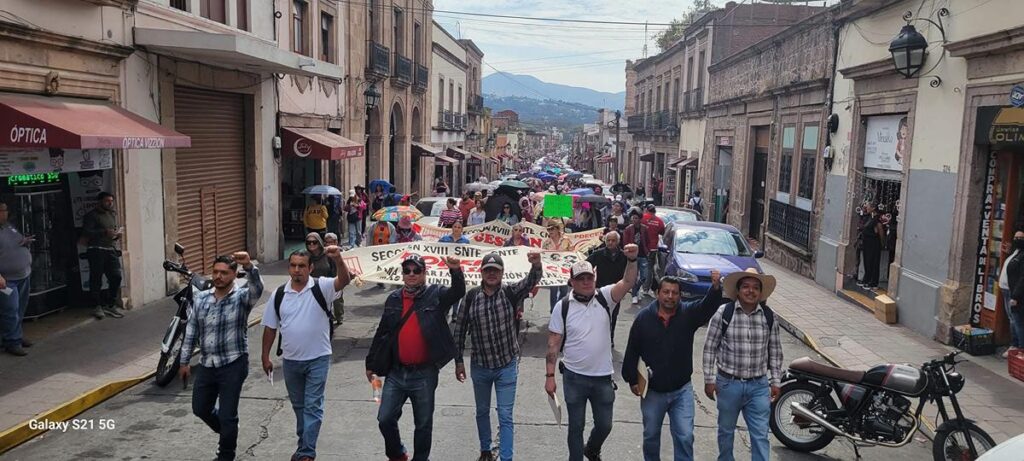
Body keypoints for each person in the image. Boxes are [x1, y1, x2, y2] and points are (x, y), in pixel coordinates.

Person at [366, 254, 466, 461]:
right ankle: (397, 453)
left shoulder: (436, 294)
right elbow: (382, 332)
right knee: (385, 418)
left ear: (424, 273)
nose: (411, 274)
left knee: (423, 424)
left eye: (416, 270)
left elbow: (458, 292)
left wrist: (456, 271)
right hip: (396, 371)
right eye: (407, 271)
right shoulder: (393, 299)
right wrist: (370, 362)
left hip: (424, 374)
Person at [545, 246, 639, 461]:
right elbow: (553, 343)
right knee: (575, 427)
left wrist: (632, 260)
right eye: (581, 278)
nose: (586, 282)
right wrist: (549, 377)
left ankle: (592, 448)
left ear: (594, 278)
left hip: (603, 378)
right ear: (572, 282)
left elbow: (627, 282)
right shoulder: (563, 306)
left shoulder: (606, 297)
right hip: (574, 377)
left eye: (589, 277)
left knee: (605, 425)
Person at [261, 247, 351, 461]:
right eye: (293, 265)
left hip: (318, 358)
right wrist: (265, 356)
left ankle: (307, 454)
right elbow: (270, 327)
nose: (297, 270)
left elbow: (344, 280)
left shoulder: (322, 286)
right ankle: (304, 445)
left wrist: (338, 259)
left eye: (302, 266)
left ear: (310, 268)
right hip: (291, 362)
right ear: (289, 268)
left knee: (312, 406)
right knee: (300, 407)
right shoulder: (279, 294)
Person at [621, 272, 722, 461]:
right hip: (652, 390)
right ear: (658, 293)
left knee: (685, 436)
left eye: (675, 293)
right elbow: (633, 349)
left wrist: (715, 289)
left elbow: (706, 307)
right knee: (651, 436)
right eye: (666, 292)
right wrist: (632, 380)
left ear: (680, 296)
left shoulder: (688, 314)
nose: (670, 296)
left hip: (681, 390)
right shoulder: (644, 318)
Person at [453, 252, 543, 461]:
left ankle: (506, 458)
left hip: (506, 366)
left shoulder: (510, 292)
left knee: (505, 416)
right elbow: (460, 329)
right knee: (482, 411)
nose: (491, 274)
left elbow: (532, 280)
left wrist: (536, 264)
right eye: (488, 270)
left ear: (502, 273)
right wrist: (458, 361)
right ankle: (486, 450)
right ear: (481, 273)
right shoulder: (472, 297)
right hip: (481, 366)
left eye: (496, 270)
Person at [179, 252, 263, 461]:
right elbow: (191, 330)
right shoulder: (201, 298)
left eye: (224, 273)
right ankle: (228, 431)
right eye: (215, 272)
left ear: (234, 274)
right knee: (200, 408)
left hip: (233, 363)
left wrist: (250, 268)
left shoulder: (242, 297)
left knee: (227, 414)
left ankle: (226, 454)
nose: (218, 276)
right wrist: (184, 361)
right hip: (208, 363)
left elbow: (257, 289)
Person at [702, 268, 783, 461]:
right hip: (729, 384)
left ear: (760, 293)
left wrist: (776, 381)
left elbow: (776, 352)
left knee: (760, 435)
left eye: (756, 287)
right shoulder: (725, 313)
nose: (750, 291)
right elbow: (709, 347)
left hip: (758, 386)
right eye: (746, 286)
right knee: (726, 432)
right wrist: (709, 379)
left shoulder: (769, 317)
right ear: (738, 291)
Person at [83, 192, 124, 320]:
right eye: (107, 201)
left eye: (111, 201)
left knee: (116, 276)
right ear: (100, 201)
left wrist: (117, 235)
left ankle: (110, 304)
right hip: (96, 250)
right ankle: (97, 306)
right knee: (96, 278)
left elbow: (112, 231)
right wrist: (104, 232)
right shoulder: (91, 215)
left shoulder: (111, 214)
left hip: (110, 249)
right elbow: (86, 232)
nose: (110, 203)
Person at [0, 201, 33, 356]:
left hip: (23, 275)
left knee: (20, 308)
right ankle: (12, 342)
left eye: (6, 210)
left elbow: (14, 243)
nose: (5, 213)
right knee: (10, 310)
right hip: (7, 280)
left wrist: (24, 241)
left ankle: (17, 335)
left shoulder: (9, 227)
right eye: (2, 211)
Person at [586, 232, 627, 346]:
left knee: (613, 316)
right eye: (608, 240)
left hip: (616, 291)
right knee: (598, 315)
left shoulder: (624, 256)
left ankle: (610, 338)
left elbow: (629, 273)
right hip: (600, 290)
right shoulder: (598, 254)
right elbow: (585, 265)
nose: (610, 243)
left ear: (618, 242)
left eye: (613, 240)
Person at [1001, 230, 1024, 358]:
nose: (1017, 240)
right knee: (1012, 319)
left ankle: (1018, 347)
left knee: (1016, 320)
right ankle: (1015, 346)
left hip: (1015, 293)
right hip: (1006, 289)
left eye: (1020, 238)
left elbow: (1022, 278)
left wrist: (1015, 296)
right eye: (1015, 237)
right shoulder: (1016, 252)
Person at [543, 220, 572, 312]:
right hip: (552, 270)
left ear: (557, 229)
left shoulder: (566, 240)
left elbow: (572, 253)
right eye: (548, 229)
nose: (550, 231)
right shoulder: (546, 243)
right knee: (553, 290)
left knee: (564, 291)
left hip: (564, 269)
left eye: (552, 229)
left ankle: (558, 307)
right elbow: (543, 256)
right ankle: (553, 310)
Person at [623, 212, 650, 306]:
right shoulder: (628, 229)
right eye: (632, 218)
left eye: (636, 218)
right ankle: (634, 295)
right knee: (633, 276)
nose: (634, 220)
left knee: (644, 276)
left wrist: (647, 250)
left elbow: (648, 241)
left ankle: (636, 289)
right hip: (632, 256)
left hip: (643, 255)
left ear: (640, 219)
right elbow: (625, 242)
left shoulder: (645, 229)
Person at [859, 202, 884, 290]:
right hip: (867, 243)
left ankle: (873, 282)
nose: (866, 207)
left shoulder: (876, 219)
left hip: (873, 243)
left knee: (873, 262)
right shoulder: (869, 217)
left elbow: (880, 231)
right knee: (867, 261)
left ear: (873, 208)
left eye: (868, 206)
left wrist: (882, 243)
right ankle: (867, 279)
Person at [641, 205, 666, 293]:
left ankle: (639, 287)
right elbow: (662, 232)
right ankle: (646, 288)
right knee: (649, 267)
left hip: (642, 247)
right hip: (652, 248)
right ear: (655, 211)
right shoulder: (659, 221)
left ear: (647, 210)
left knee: (640, 267)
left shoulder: (642, 218)